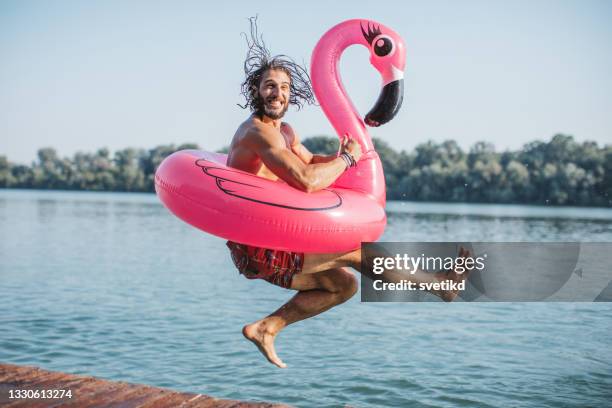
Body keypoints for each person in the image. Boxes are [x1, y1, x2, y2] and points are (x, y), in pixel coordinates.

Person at [226, 18, 471, 368]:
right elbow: (307, 180)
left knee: (343, 286)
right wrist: (345, 158)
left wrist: (355, 161)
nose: (276, 93)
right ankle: (441, 285)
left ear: (290, 94)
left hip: (276, 238)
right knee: (355, 252)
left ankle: (266, 328)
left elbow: (311, 160)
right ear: (257, 91)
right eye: (268, 86)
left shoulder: (286, 131)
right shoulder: (257, 133)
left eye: (283, 87)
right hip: (255, 246)